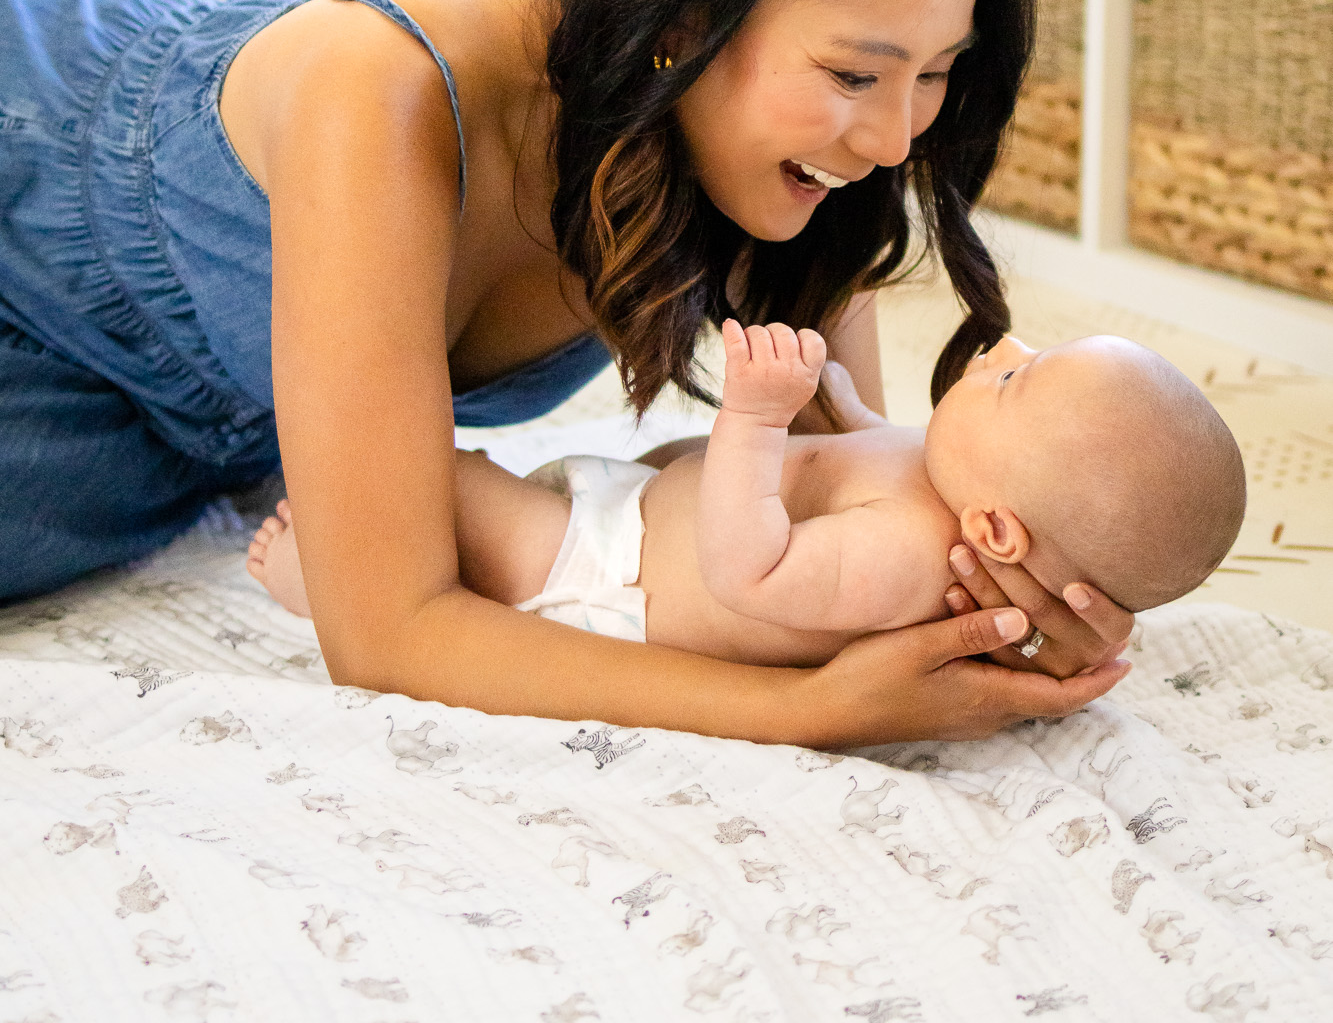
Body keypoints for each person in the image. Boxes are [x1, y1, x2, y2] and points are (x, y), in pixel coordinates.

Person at [0, 0, 1133, 743]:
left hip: (164, 436)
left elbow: (859, 495)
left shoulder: (792, 173)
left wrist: (1007, 605)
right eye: (851, 72)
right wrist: (802, 709)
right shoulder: (383, 91)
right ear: (691, 15)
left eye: (934, 75)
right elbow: (386, 632)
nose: (892, 138)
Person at [247, 325, 1245, 665]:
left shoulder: (909, 555)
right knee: (440, 479)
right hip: (630, 511)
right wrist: (837, 400)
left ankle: (317, 579)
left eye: (1018, 379)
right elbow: (869, 445)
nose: (1003, 347)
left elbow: (749, 569)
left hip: (598, 574)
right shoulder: (953, 477)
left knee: (433, 480)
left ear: (993, 528)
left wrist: (756, 419)